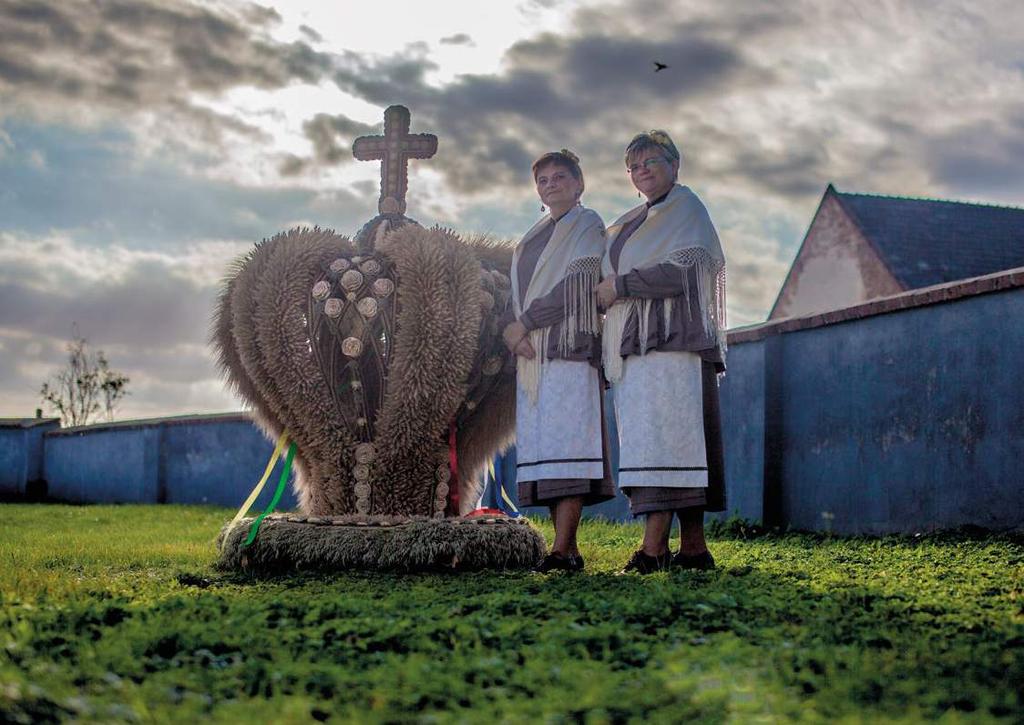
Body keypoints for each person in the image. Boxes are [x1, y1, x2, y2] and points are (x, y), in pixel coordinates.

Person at [596, 130, 727, 574]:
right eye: (634, 166)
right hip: (640, 338)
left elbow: (685, 269)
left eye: (651, 160)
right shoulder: (635, 221)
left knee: (668, 442)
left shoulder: (685, 208)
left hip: (675, 339)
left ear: (675, 165)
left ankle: (653, 552)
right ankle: (693, 550)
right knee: (670, 442)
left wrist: (622, 285)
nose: (642, 170)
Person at [503, 149, 615, 572]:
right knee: (548, 449)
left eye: (560, 177)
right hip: (534, 352)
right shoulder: (533, 236)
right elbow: (519, 297)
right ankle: (564, 548)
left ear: (579, 183)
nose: (551, 185)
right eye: (543, 179)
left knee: (570, 444)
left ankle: (564, 547)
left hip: (568, 345)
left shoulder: (587, 224)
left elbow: (578, 285)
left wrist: (525, 323)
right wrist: (515, 334)